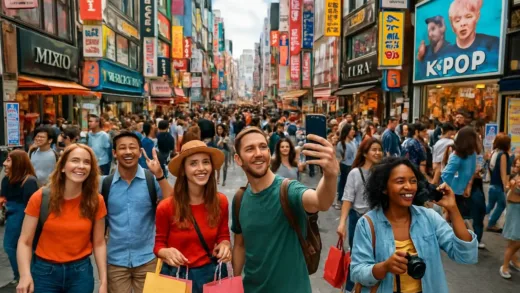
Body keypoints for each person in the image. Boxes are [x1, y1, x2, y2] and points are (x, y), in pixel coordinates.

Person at [231, 127, 339, 292]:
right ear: (238, 159)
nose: (258, 153)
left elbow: (320, 201)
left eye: (263, 147)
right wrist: (234, 282)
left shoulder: (288, 190)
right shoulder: (240, 198)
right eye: (250, 149)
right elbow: (239, 245)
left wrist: (330, 175)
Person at [350, 157, 478, 293]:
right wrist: (385, 267)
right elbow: (357, 272)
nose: (409, 187)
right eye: (400, 181)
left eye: (413, 181)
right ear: (384, 188)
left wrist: (453, 208)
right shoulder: (367, 224)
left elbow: (465, 255)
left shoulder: (429, 217)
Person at [16, 144, 108, 293]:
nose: (81, 166)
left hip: (81, 274)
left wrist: (103, 281)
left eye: (86, 162)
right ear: (63, 167)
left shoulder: (96, 201)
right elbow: (25, 241)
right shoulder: (41, 197)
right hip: (44, 273)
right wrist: (25, 275)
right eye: (75, 160)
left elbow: (99, 243)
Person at [154, 140, 231, 293]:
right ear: (183, 170)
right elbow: (158, 245)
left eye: (205, 162)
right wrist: (165, 252)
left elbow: (224, 236)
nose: (201, 168)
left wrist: (225, 246)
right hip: (176, 276)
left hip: (211, 275)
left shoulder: (221, 202)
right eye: (193, 163)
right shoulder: (166, 207)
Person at [102, 132, 171, 293]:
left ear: (140, 152)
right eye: (122, 148)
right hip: (116, 261)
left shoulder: (150, 180)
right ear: (114, 153)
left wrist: (160, 175)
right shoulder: (105, 184)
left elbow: (172, 203)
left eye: (132, 147)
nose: (127, 152)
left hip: (148, 258)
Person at [337, 138, 383, 292]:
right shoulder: (355, 173)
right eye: (374, 150)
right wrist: (342, 223)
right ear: (364, 153)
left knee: (377, 255)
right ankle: (351, 288)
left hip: (378, 220)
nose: (378, 153)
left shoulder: (382, 172)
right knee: (357, 257)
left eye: (379, 150)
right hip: (358, 219)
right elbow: (347, 198)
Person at [0, 151, 38, 288]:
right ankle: (23, 275)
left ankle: (24, 275)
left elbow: (33, 206)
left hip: (23, 215)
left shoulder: (29, 181)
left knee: (12, 246)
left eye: (9, 160)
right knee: (14, 246)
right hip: (11, 214)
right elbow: (4, 196)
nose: (5, 163)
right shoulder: (6, 179)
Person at [441, 126, 478, 220]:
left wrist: (468, 187)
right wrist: (447, 192)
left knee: (459, 220)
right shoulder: (457, 156)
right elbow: (446, 174)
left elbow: (472, 171)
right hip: (453, 193)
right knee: (452, 220)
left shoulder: (472, 154)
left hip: (461, 192)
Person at [487, 133, 512, 233]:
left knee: (490, 205)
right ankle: (491, 223)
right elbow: (503, 171)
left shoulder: (494, 152)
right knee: (501, 204)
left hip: (493, 184)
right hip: (498, 185)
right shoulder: (503, 155)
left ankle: (473, 216)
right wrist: (505, 185)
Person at [500, 173, 520, 279]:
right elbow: (508, 189)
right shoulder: (516, 177)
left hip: (516, 208)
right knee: (515, 241)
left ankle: (514, 260)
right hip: (516, 209)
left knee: (516, 240)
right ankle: (505, 266)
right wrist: (511, 185)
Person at [336, 124, 358, 209]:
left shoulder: (354, 142)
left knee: (352, 184)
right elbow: (339, 158)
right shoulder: (340, 144)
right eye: (351, 130)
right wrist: (338, 169)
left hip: (353, 166)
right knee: (344, 183)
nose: (353, 131)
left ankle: (350, 201)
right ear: (347, 131)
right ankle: (340, 200)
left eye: (353, 130)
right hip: (345, 166)